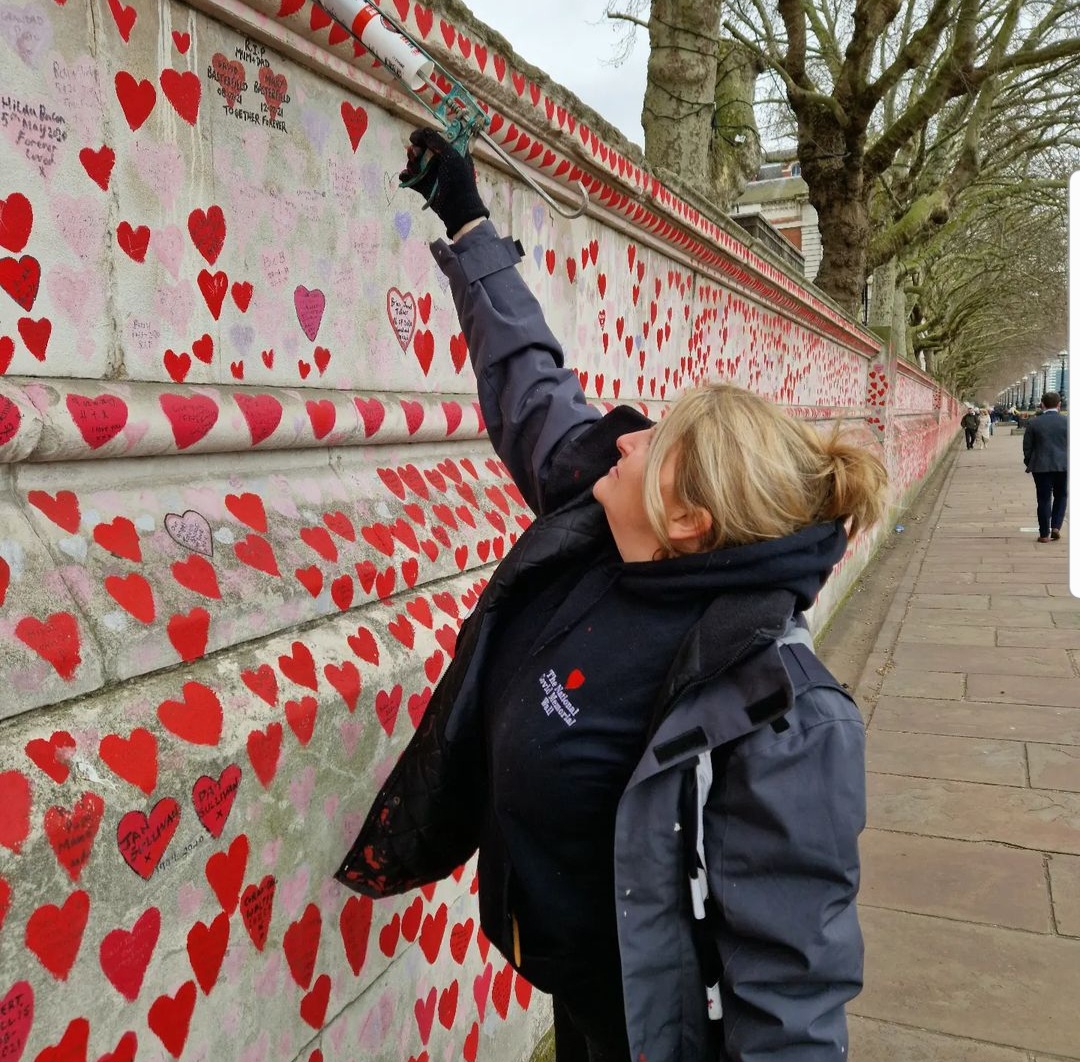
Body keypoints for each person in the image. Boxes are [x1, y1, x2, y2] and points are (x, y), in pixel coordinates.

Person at [336, 128, 889, 1062]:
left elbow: (793, 993)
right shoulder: (605, 530)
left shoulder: (781, 714)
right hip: (578, 997)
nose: (622, 439)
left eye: (651, 446)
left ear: (687, 523)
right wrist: (469, 226)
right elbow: (534, 387)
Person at [1023, 391, 1068, 542]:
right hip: (1064, 465)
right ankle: (1056, 526)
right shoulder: (1068, 421)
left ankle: (1043, 534)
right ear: (1059, 405)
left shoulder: (1034, 422)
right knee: (1061, 495)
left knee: (1043, 499)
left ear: (1042, 405)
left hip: (1040, 466)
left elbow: (1027, 447)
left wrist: (1030, 462)